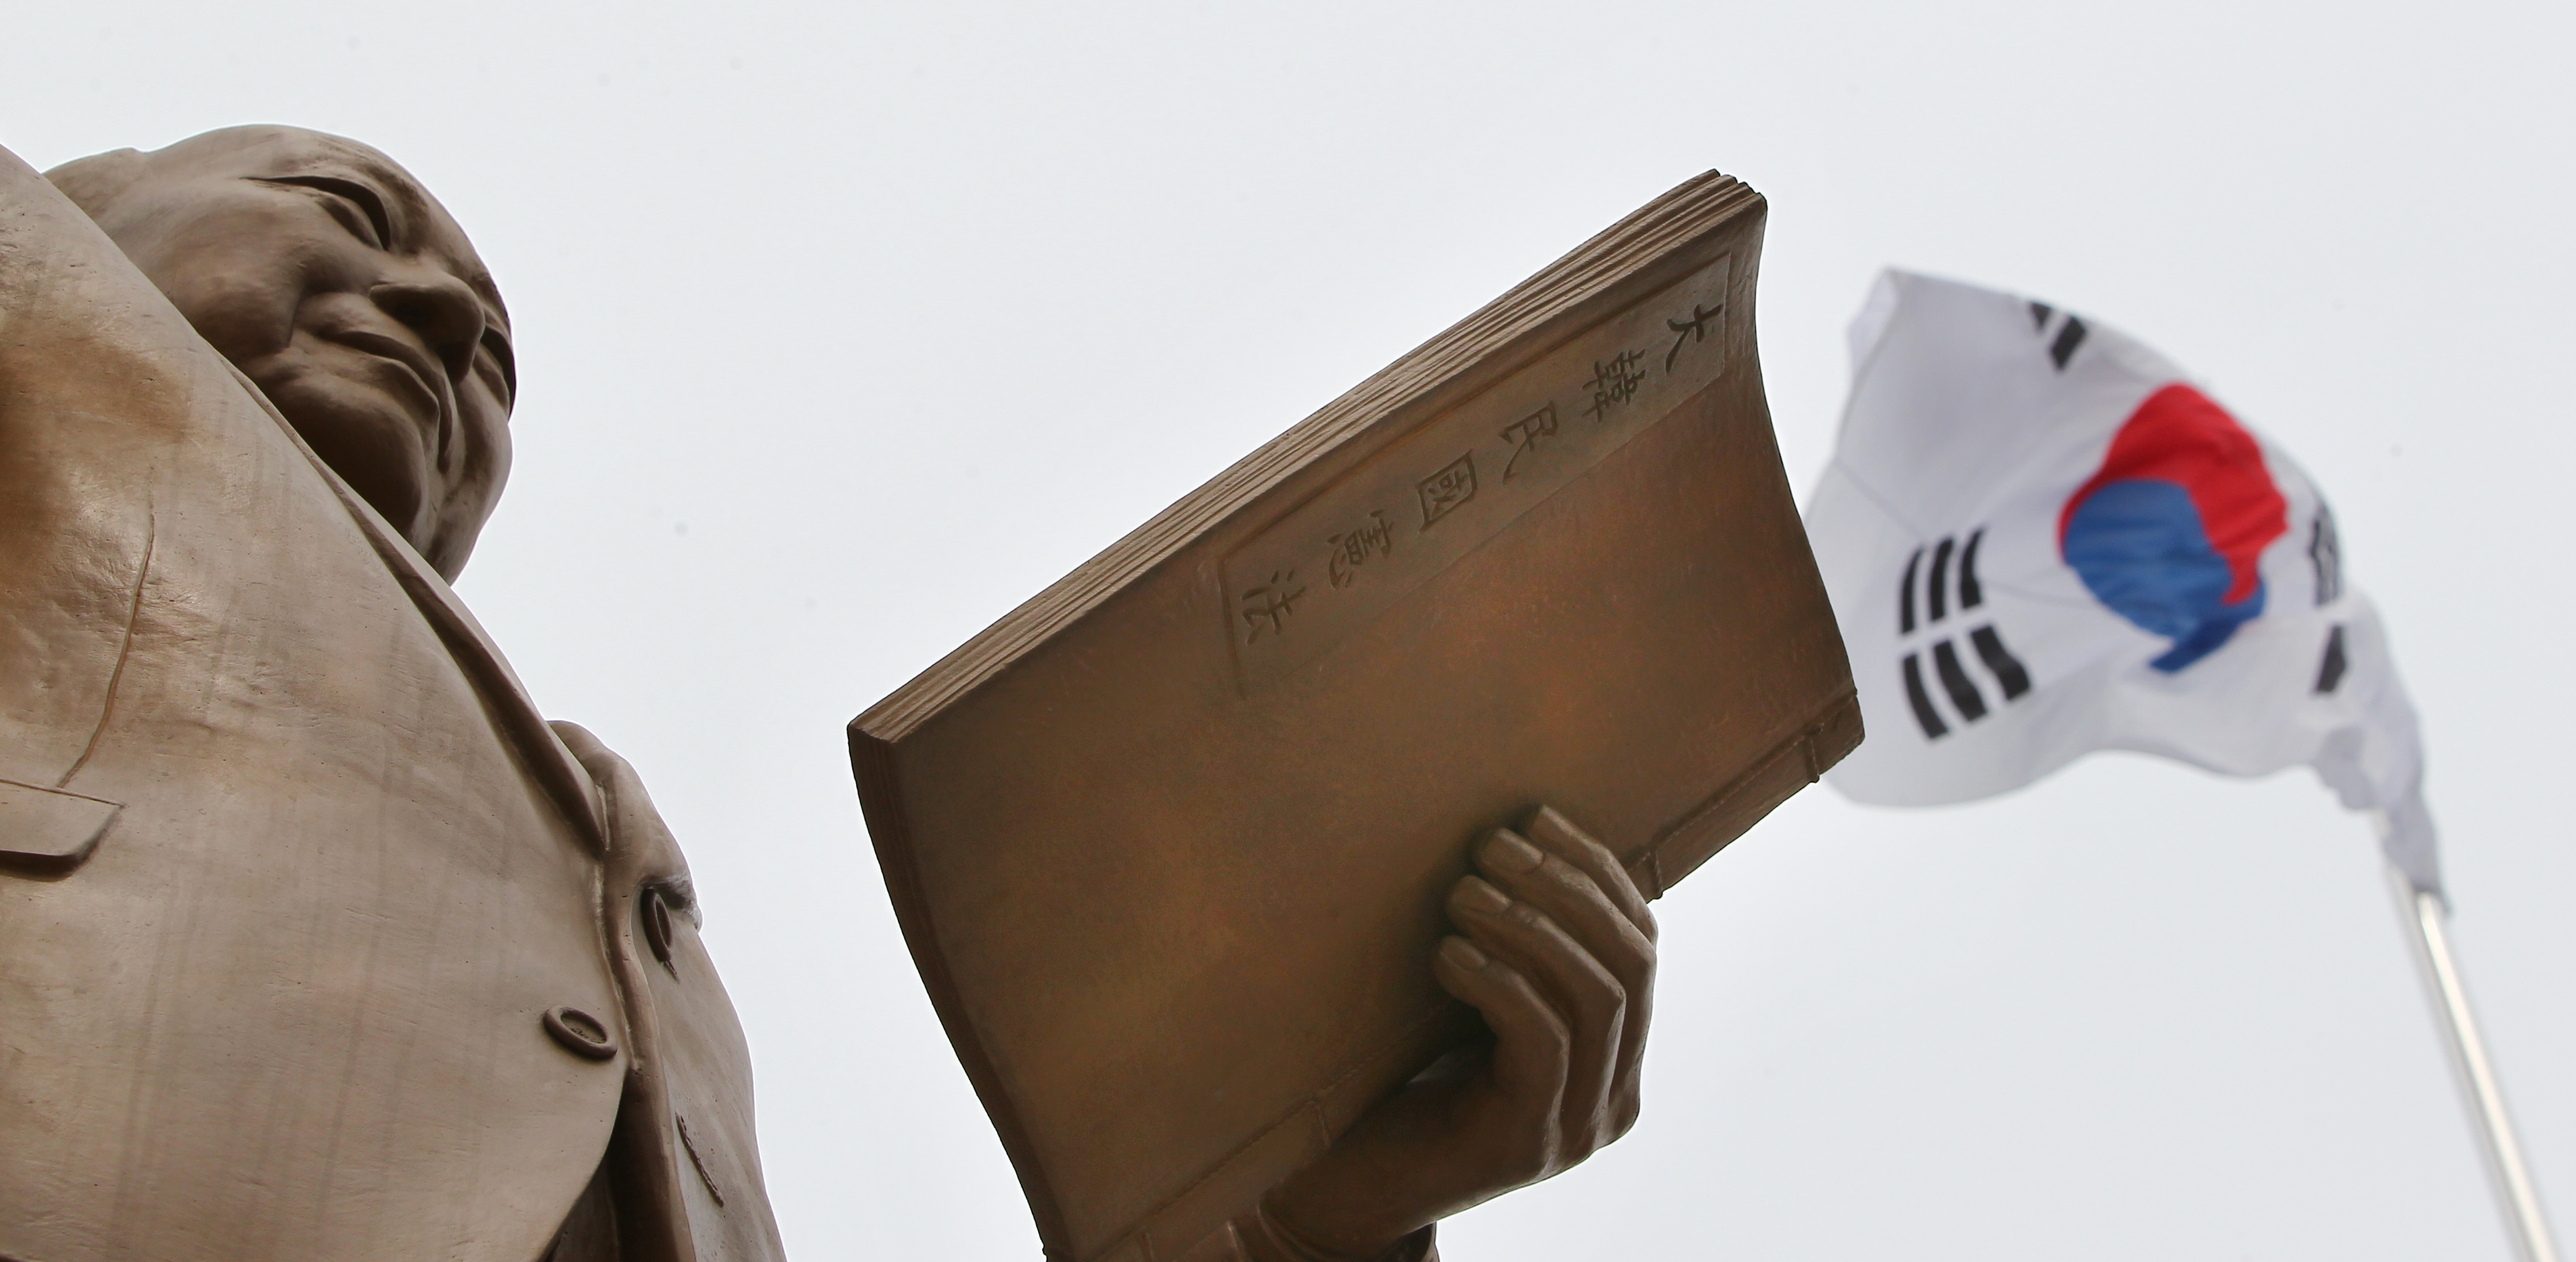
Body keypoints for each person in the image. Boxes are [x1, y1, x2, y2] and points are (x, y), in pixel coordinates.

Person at [0, 126, 1659, 1262]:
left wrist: (1312, 1218)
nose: (441, 313)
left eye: (496, 366)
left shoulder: (615, 883)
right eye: (348, 215)